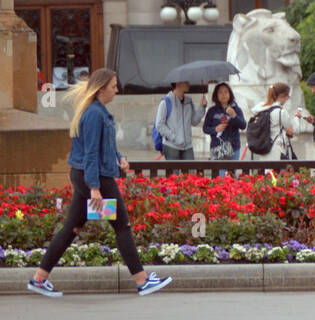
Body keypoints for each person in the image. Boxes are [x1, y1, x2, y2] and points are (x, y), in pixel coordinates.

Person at [25, 68, 172, 298]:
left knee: (71, 229)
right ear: (102, 88)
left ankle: (39, 279)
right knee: (122, 226)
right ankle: (142, 281)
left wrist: (119, 157)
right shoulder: (94, 114)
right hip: (97, 179)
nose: (116, 90)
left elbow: (103, 146)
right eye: (113, 86)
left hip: (87, 176)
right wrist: (94, 188)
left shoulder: (95, 111)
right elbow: (91, 152)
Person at [154, 81, 204, 160]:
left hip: (188, 146)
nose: (188, 84)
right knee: (174, 172)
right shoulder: (166, 102)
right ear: (177, 84)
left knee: (191, 172)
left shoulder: (189, 101)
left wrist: (202, 107)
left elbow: (194, 121)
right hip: (171, 146)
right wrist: (174, 137)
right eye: (186, 82)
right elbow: (159, 125)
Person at [248, 82, 298, 160]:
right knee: (275, 171)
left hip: (263, 147)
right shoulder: (281, 112)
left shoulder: (260, 109)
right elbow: (294, 130)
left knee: (266, 171)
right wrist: (297, 118)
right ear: (282, 96)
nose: (287, 99)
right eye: (287, 96)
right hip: (276, 149)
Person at [202, 82, 246, 160]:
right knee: (220, 172)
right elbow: (205, 128)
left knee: (231, 172)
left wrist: (234, 116)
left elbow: (243, 125)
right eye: (220, 92)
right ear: (216, 95)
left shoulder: (236, 109)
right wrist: (215, 129)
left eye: (226, 92)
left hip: (233, 148)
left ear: (230, 94)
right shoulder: (212, 111)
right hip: (217, 148)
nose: (223, 95)